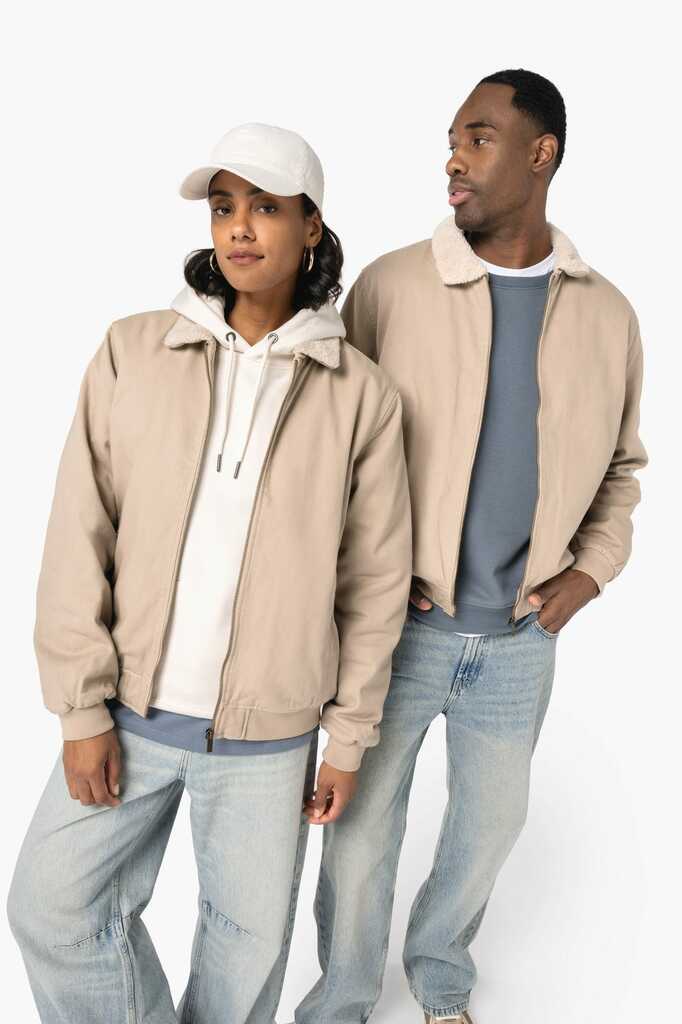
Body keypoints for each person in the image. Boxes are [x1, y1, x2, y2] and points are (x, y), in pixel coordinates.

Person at [6, 122, 412, 1023]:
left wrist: (348, 740)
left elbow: (375, 585)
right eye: (225, 207)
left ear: (311, 226)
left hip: (272, 735)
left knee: (245, 954)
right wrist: (81, 709)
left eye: (264, 207)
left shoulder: (361, 395)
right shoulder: (134, 350)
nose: (239, 227)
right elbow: (78, 534)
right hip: (131, 711)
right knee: (50, 907)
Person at [291, 70, 648, 1024]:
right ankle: (341, 1000)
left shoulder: (607, 313)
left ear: (542, 154)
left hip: (522, 639)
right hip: (400, 629)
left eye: (479, 138)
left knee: (489, 831)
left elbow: (623, 467)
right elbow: (330, 448)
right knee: (360, 835)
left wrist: (589, 574)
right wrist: (358, 578)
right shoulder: (391, 286)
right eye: (453, 140)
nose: (454, 159)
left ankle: (441, 977)